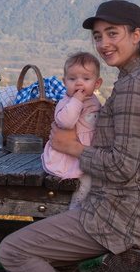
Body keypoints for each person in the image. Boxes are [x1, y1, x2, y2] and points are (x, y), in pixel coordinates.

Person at [0, 0, 140, 272]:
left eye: (113, 34)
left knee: (13, 250)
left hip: (121, 217)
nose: (104, 44)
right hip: (125, 208)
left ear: (136, 34)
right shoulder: (134, 77)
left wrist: (72, 147)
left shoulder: (135, 86)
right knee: (48, 238)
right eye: (98, 36)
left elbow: (123, 166)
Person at [42, 52, 102, 208]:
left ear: (97, 84)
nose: (79, 84)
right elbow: (66, 122)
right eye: (72, 79)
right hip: (67, 158)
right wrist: (76, 101)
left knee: (92, 182)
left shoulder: (94, 101)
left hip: (84, 154)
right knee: (84, 184)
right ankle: (75, 210)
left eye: (86, 79)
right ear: (64, 82)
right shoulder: (67, 102)